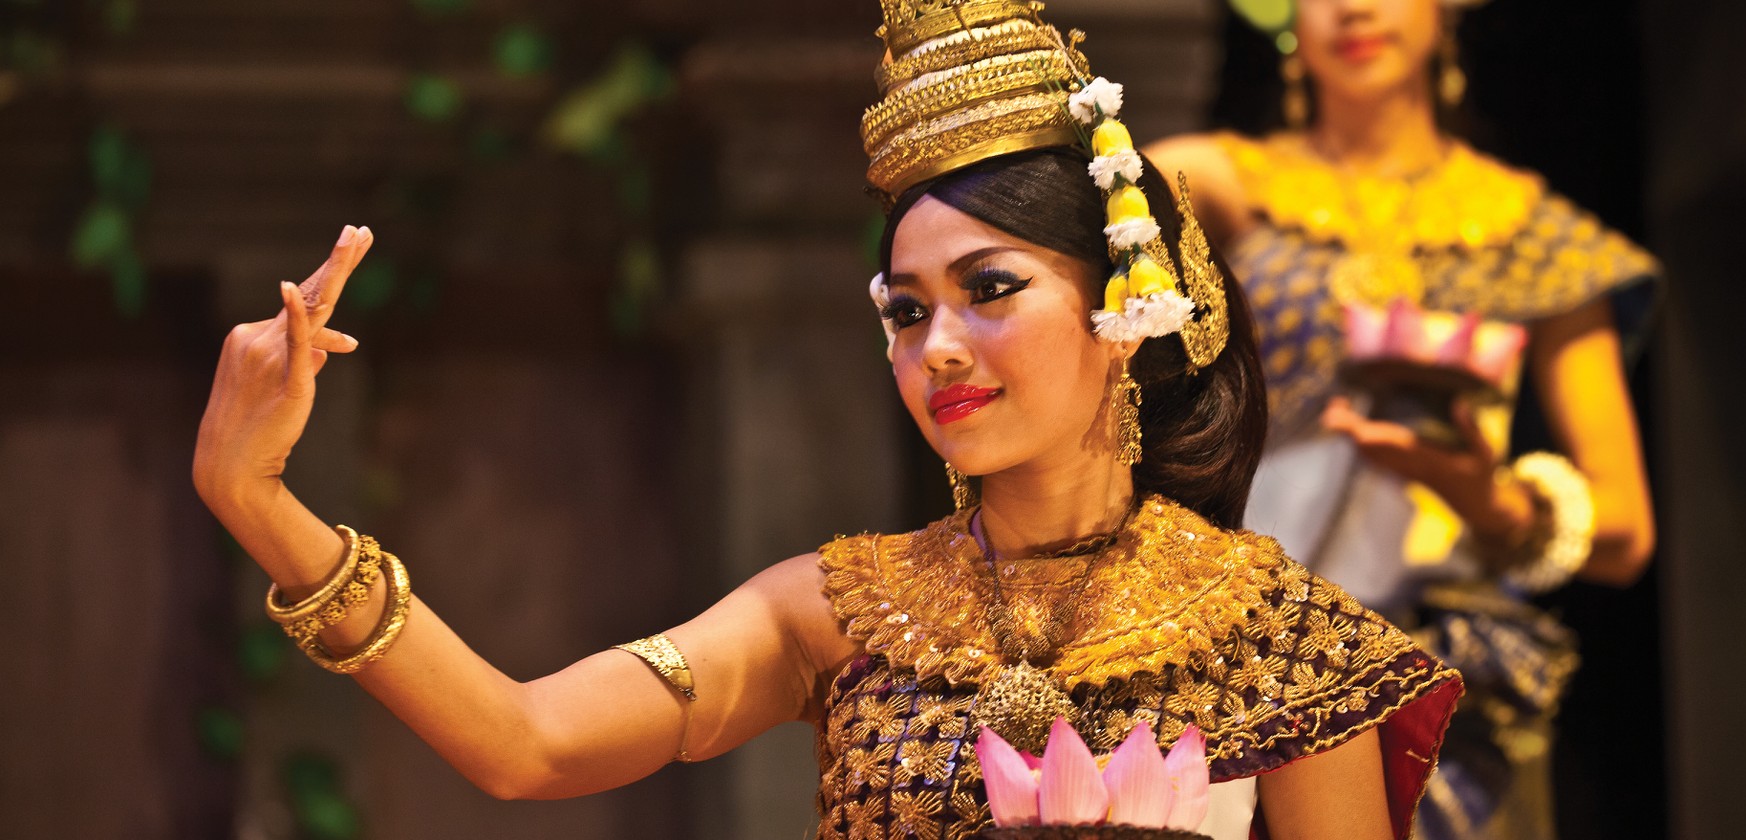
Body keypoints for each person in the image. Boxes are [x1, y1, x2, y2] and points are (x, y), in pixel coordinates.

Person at [192, 2, 1461, 838]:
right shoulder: (836, 609)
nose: (938, 347)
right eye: (905, 312)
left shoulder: (1280, 637)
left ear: (1127, 305)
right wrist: (260, 502)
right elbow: (525, 744)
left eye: (992, 291)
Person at [1145, 0, 1659, 837]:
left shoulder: (1533, 234)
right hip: (1251, 655)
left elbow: (1626, 529)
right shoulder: (1218, 185)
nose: (1353, 8)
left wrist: (1490, 502)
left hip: (1447, 677)